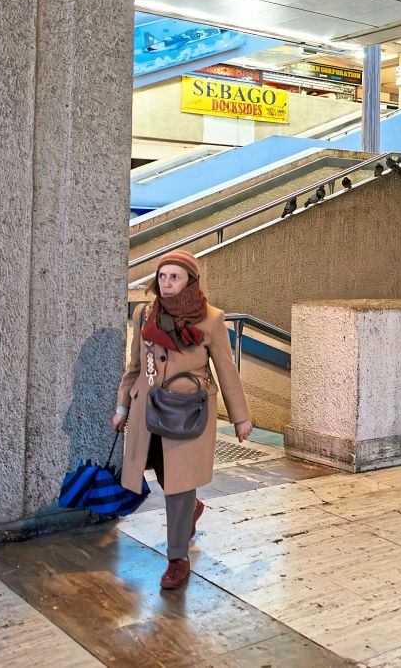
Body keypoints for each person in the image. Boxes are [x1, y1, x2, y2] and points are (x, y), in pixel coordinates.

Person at [114, 250, 252, 590]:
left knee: (179, 484)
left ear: (190, 280)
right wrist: (122, 408)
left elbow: (226, 369)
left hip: (187, 412)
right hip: (149, 409)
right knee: (164, 473)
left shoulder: (210, 318)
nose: (167, 283)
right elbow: (135, 366)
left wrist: (241, 418)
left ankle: (177, 559)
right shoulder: (144, 314)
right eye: (162, 276)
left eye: (174, 277)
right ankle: (191, 509)